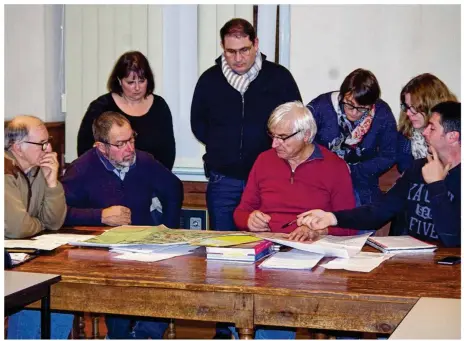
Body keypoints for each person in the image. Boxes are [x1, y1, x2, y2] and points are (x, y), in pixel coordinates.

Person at [190, 18, 301, 339]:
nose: (237, 58)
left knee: (268, 255)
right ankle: (225, 328)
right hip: (224, 180)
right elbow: (199, 124)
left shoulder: (279, 78)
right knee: (224, 257)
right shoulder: (209, 80)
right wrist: (222, 147)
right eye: (230, 52)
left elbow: (293, 121)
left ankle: (266, 326)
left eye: (244, 50)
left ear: (256, 44)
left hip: (270, 180)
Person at [232, 101, 358, 339]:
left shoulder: (334, 166)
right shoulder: (263, 161)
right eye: (272, 136)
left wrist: (318, 231)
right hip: (267, 252)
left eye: (282, 137)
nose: (273, 144)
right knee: (241, 302)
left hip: (312, 257)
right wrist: (249, 219)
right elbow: (240, 212)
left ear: (307, 135)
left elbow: (349, 224)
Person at [62, 111, 183, 339]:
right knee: (118, 285)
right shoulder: (81, 170)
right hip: (102, 253)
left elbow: (174, 189)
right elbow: (61, 214)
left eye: (132, 139)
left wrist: (169, 230)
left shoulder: (144, 161)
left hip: (145, 246)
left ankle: (143, 335)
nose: (129, 149)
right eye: (120, 144)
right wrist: (99, 216)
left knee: (163, 282)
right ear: (101, 147)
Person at [297, 101, 461, 248]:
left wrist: (436, 185)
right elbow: (380, 210)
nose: (424, 132)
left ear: (452, 136)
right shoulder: (418, 168)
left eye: (432, 128)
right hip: (410, 259)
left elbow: (452, 239)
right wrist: (331, 217)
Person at [4, 115, 73, 339]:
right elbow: (17, 227)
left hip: (26, 255)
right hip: (8, 261)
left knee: (64, 292)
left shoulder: (38, 169)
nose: (49, 148)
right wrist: (39, 224)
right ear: (17, 147)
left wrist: (52, 183)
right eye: (41, 143)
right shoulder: (5, 172)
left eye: (48, 141)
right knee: (34, 291)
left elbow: (54, 222)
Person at [307, 68, 397, 206]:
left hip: (362, 183)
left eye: (362, 108)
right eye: (350, 105)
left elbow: (389, 155)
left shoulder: (382, 113)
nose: (354, 112)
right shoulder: (321, 106)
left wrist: (354, 170)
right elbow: (303, 142)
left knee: (362, 216)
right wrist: (329, 168)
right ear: (342, 95)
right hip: (321, 180)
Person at [77, 50, 176, 170]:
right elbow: (85, 150)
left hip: (150, 178)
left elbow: (168, 151)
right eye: (131, 82)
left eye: (142, 81)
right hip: (110, 180)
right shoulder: (101, 106)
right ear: (119, 81)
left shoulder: (159, 106)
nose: (137, 88)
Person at [397, 73, 457, 173]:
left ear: (431, 105)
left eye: (414, 108)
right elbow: (405, 169)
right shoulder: (406, 131)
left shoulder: (454, 129)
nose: (408, 113)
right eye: (407, 107)